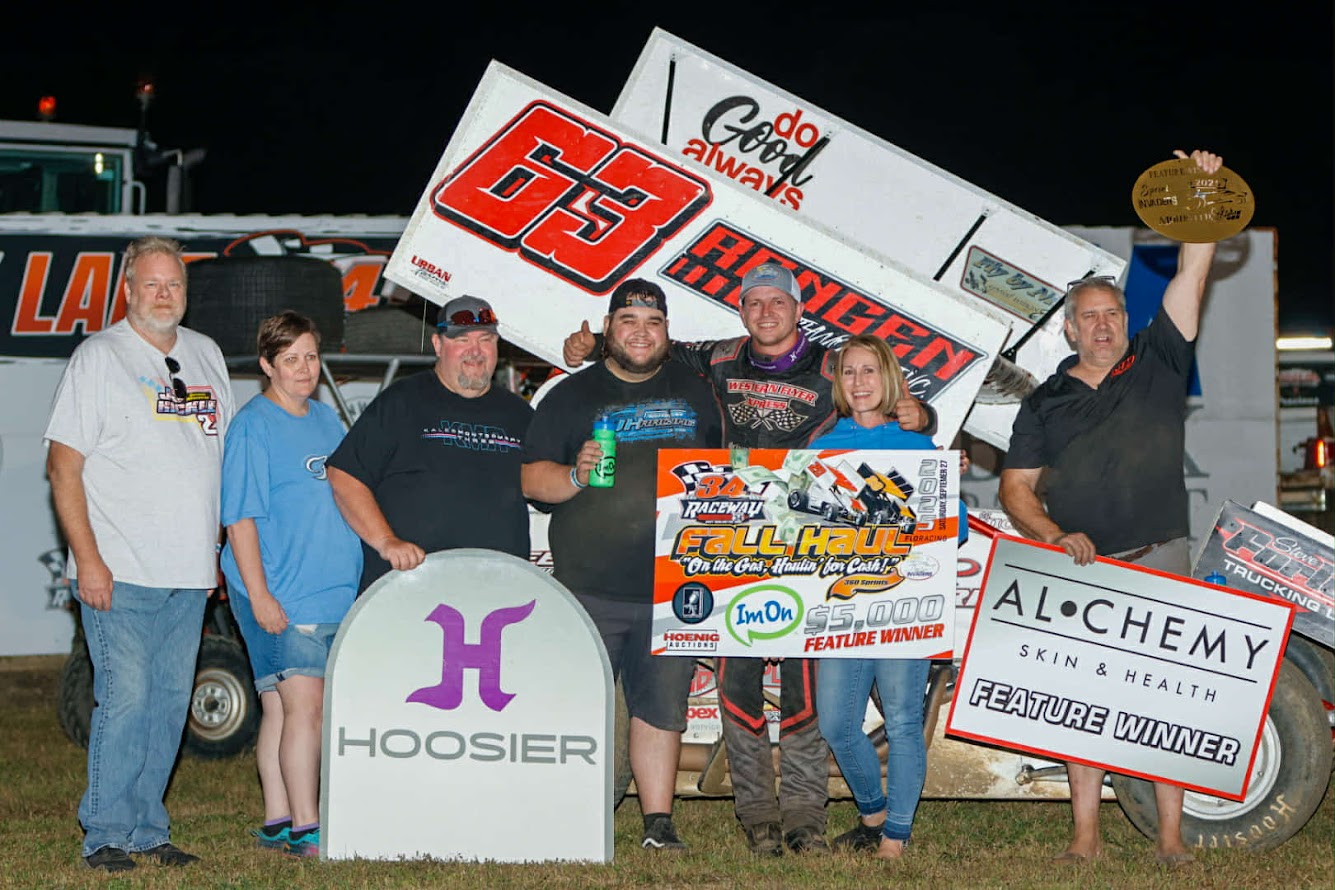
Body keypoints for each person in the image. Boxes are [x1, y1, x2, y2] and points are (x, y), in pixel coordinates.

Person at [563, 263, 937, 856]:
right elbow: (645, 349)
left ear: (798, 309)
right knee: (738, 689)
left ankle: (806, 817)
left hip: (812, 546)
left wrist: (924, 415)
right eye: (754, 302)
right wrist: (590, 348)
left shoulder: (834, 366)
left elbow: (886, 402)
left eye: (778, 302)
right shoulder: (715, 357)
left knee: (804, 695)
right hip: (732, 541)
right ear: (741, 310)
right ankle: (757, 814)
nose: (766, 312)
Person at [998, 149, 1223, 867]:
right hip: (1082, 567)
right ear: (1068, 330)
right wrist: (1054, 533)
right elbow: (1015, 487)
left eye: (1112, 313)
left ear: (1127, 319)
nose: (1101, 325)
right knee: (1082, 702)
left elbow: (1192, 274)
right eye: (1088, 317)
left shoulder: (1159, 360)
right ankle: (1085, 837)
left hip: (1161, 554)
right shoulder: (1044, 401)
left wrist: (1203, 195)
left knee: (1167, 700)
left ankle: (1169, 839)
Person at [45, 236, 232, 872]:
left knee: (169, 703)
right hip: (119, 568)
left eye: (173, 284)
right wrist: (88, 559)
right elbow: (63, 466)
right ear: (127, 291)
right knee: (126, 699)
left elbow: (218, 460)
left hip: (189, 571)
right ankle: (104, 832)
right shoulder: (99, 357)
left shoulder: (206, 354)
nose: (163, 294)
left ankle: (149, 828)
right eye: (150, 284)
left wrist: (216, 550)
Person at [524, 279, 723, 850]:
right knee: (579, 705)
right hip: (591, 586)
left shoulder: (698, 392)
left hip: (676, 589)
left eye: (653, 322)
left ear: (667, 332)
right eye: (628, 321)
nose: (641, 332)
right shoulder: (569, 394)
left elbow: (733, 467)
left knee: (661, 710)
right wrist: (575, 474)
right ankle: (565, 815)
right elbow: (530, 479)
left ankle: (658, 824)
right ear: (607, 328)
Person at [809, 335, 968, 860]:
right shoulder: (820, 449)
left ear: (889, 379)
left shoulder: (917, 446)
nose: (859, 382)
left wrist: (944, 486)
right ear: (839, 382)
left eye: (869, 371)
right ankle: (874, 815)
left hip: (905, 603)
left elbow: (957, 531)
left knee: (902, 721)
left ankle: (895, 837)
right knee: (836, 723)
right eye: (849, 371)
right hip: (843, 606)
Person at [219, 312, 361, 858]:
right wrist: (260, 597)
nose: (304, 369)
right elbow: (240, 520)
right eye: (290, 359)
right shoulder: (252, 426)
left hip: (331, 589)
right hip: (282, 592)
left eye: (311, 357)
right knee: (307, 707)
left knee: (280, 707)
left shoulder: (327, 420)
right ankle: (308, 827)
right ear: (267, 365)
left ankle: (278, 819)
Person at [327, 296, 532, 592]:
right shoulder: (401, 401)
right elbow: (344, 476)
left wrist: (575, 473)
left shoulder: (519, 414)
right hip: (411, 591)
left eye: (485, 339)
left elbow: (544, 486)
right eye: (462, 339)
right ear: (438, 344)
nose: (475, 350)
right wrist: (386, 541)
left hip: (496, 595)